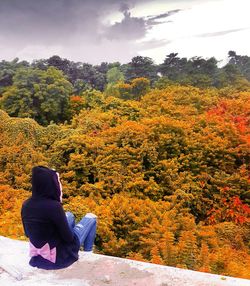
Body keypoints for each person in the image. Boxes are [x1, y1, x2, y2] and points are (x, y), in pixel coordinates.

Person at [21, 166, 97, 270]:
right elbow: (69, 238)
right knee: (91, 218)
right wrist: (75, 230)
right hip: (58, 259)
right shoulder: (54, 206)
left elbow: (27, 233)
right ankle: (88, 253)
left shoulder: (26, 205)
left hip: (39, 258)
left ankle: (84, 250)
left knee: (69, 215)